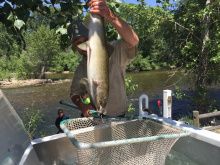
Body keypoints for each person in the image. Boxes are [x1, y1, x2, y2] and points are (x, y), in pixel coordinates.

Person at [68, 0, 139, 117]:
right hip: (96, 118)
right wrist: (82, 106)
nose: (82, 44)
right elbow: (74, 93)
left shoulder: (114, 50)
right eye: (77, 42)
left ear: (91, 35)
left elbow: (134, 40)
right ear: (75, 46)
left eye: (85, 39)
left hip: (119, 117)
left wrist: (108, 15)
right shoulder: (81, 68)